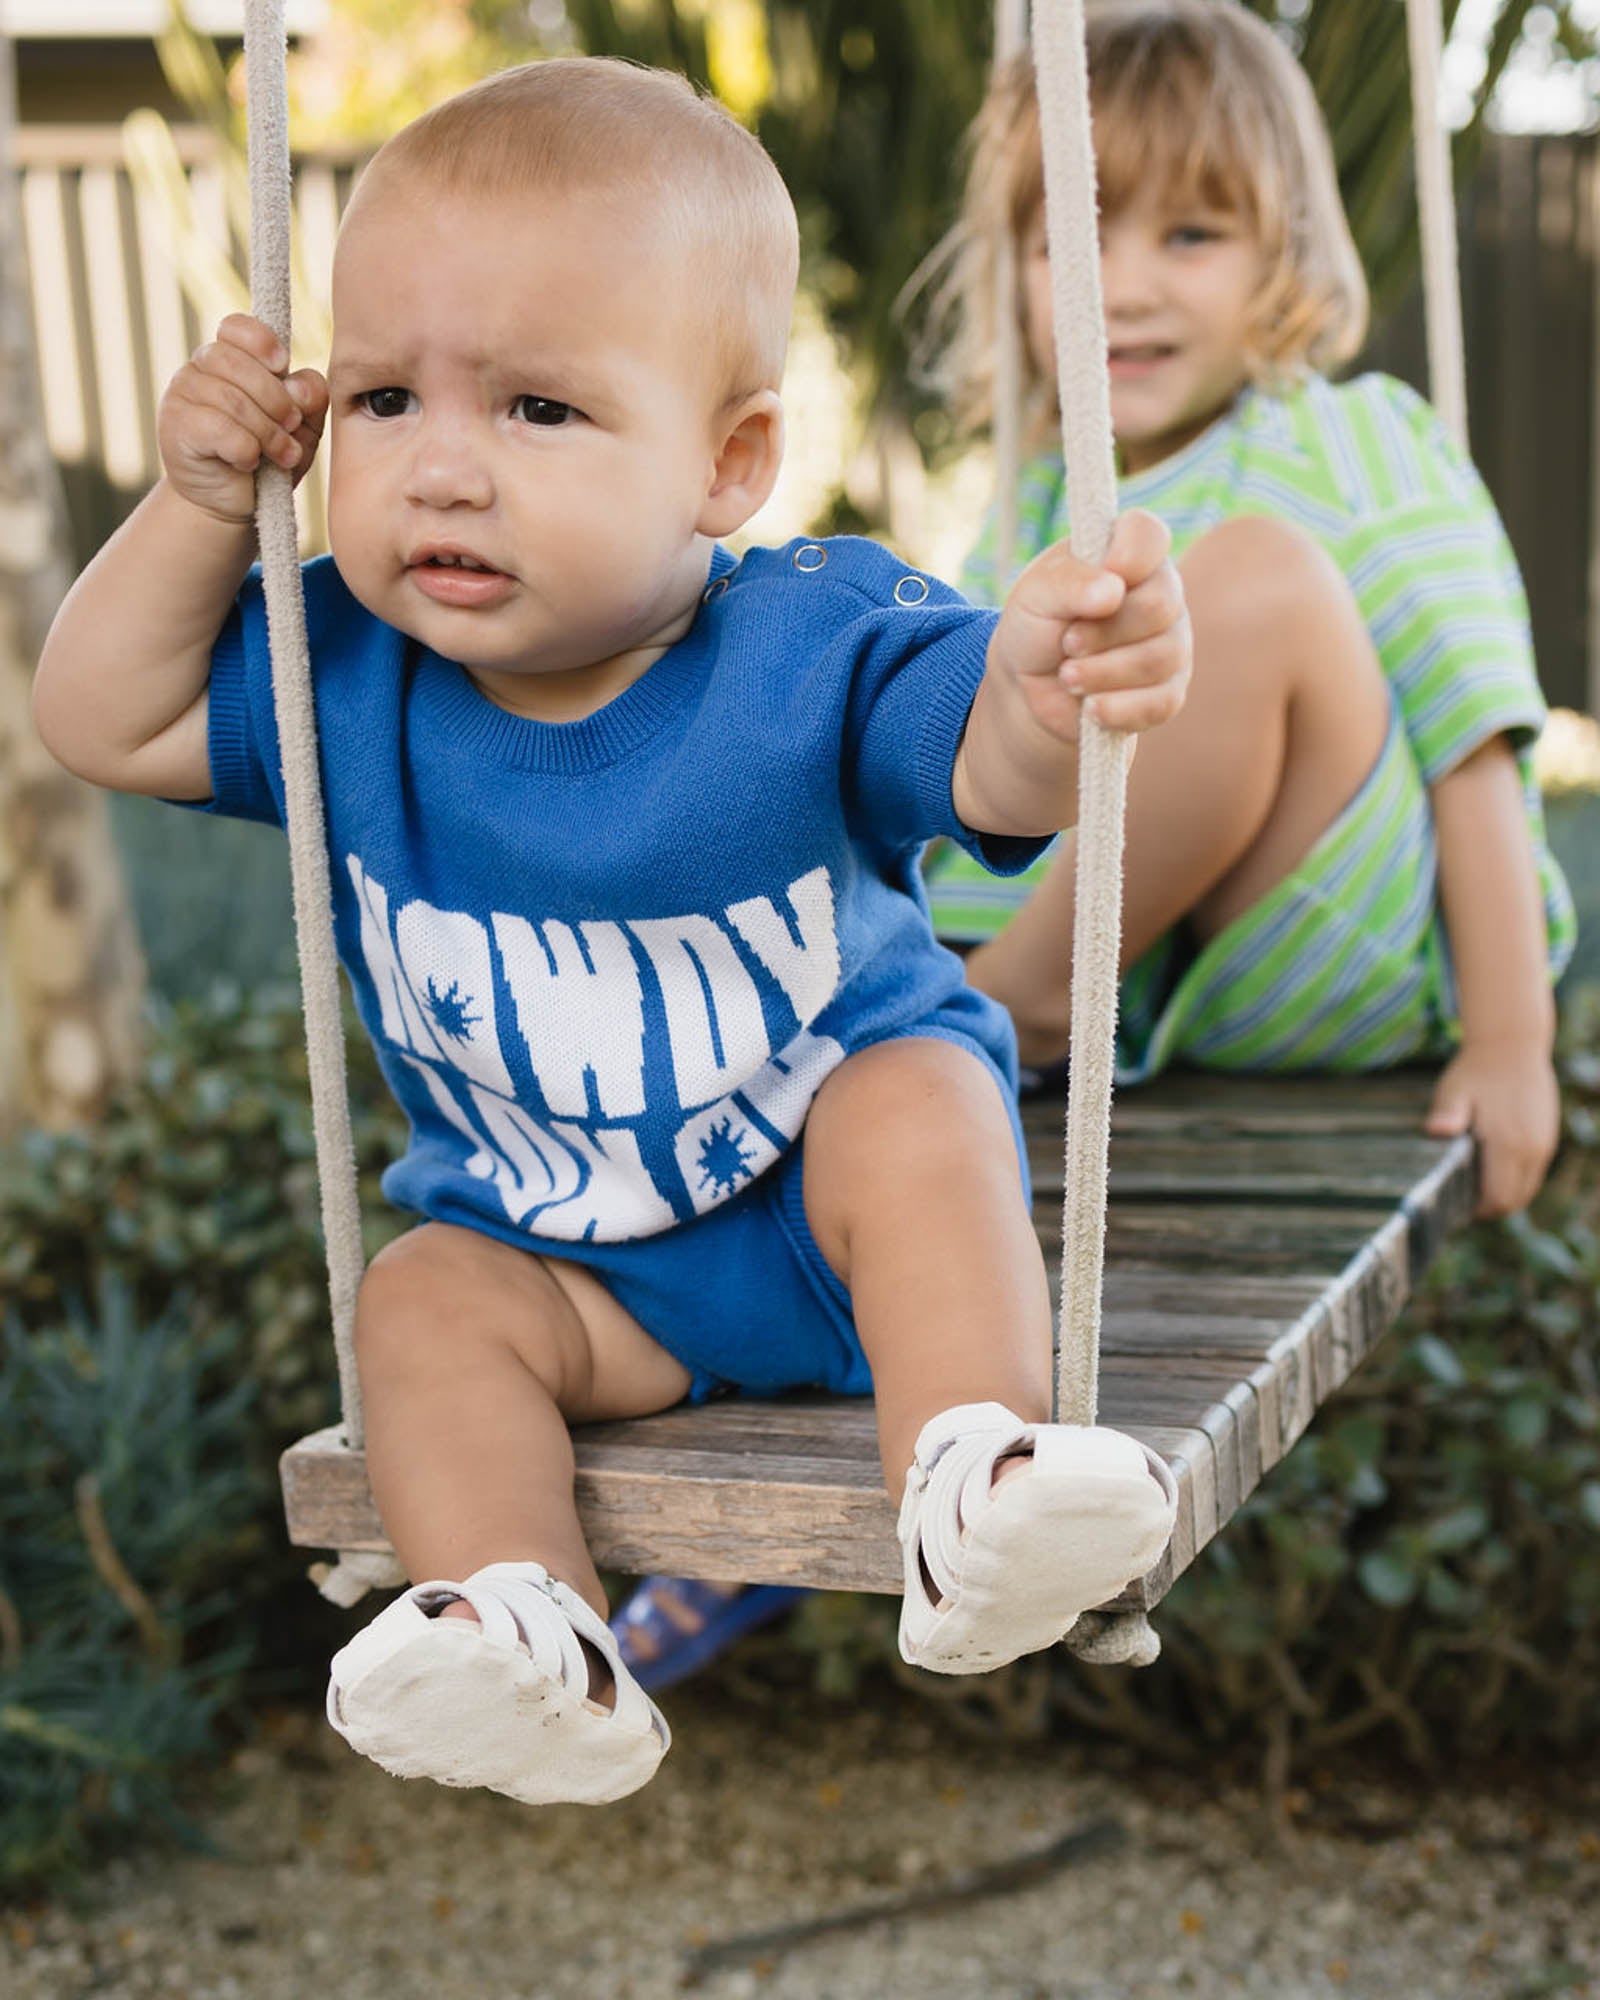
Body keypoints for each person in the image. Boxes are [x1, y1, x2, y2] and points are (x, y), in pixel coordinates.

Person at [33, 56, 1191, 1809]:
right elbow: (96, 721)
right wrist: (202, 508)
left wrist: (1049, 686)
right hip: (577, 1280)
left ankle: (980, 1483)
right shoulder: (342, 669)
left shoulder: (814, 641)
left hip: (832, 1221)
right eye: (384, 403)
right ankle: (530, 1640)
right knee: (421, 1302)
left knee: (917, 1095)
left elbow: (998, 771)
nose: (441, 472)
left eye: (538, 413)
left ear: (727, 463)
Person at [611, 0, 1579, 1689]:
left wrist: (1512, 1039)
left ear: (1284, 253)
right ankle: (766, 1493)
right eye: (1077, 229)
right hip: (1108, 966)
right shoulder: (1031, 494)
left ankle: (997, 1020)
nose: (1125, 282)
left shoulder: (1356, 444)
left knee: (1243, 587)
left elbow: (1478, 745)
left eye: (1191, 233)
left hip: (1300, 942)